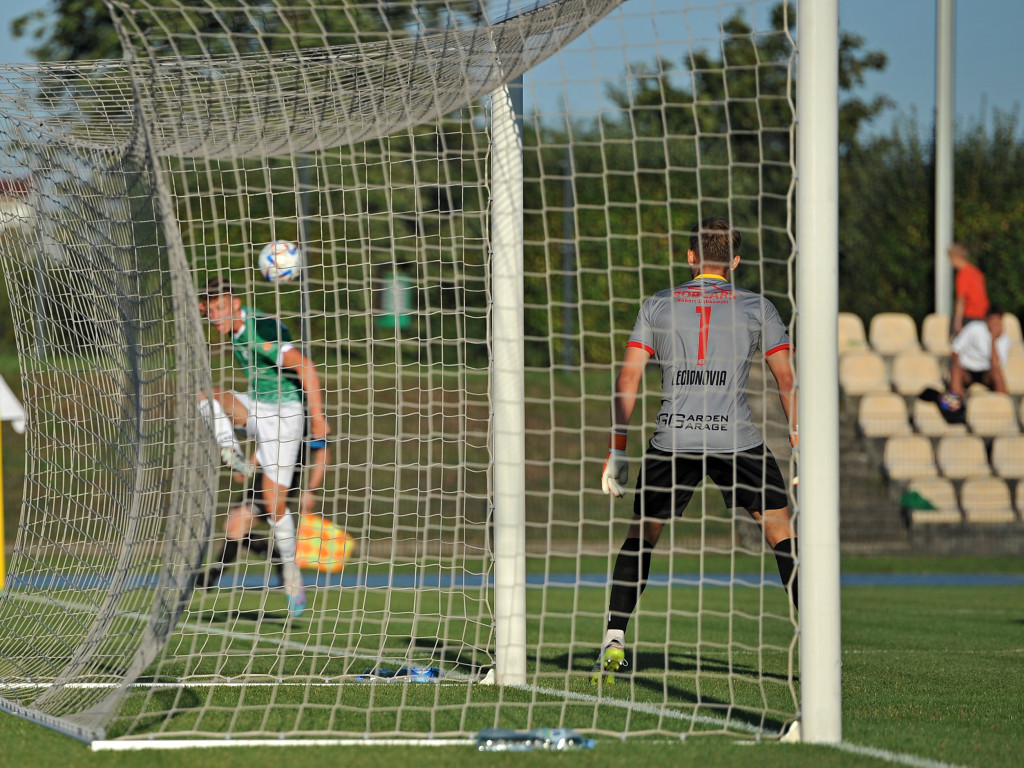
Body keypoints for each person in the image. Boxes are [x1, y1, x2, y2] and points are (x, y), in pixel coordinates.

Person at [593, 217, 798, 684]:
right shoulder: (757, 306)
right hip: (736, 439)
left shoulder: (658, 305)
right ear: (736, 262)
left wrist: (617, 450)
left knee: (642, 535)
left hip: (673, 438)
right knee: (780, 531)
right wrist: (799, 443)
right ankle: (813, 637)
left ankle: (613, 638)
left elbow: (627, 379)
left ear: (691, 258)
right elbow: (786, 380)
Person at [197, 277, 329, 618]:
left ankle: (290, 571)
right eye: (211, 311)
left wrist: (317, 418)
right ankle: (231, 451)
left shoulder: (260, 330)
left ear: (236, 304)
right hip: (259, 406)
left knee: (273, 507)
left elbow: (306, 367)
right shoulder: (236, 330)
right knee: (205, 395)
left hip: (285, 416)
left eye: (222, 308)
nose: (217, 316)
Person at [948, 308, 1010, 400]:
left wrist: (993, 339)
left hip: (986, 372)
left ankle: (1002, 404)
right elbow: (955, 350)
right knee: (955, 371)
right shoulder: (974, 328)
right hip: (967, 369)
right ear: (987, 320)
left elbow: (996, 364)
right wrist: (957, 363)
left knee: (997, 373)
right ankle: (957, 405)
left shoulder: (1005, 339)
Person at [948, 243, 989, 337]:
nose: (950, 262)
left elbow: (961, 299)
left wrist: (957, 322)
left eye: (951, 258)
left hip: (969, 316)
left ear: (956, 257)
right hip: (982, 315)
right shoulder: (976, 272)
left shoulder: (963, 274)